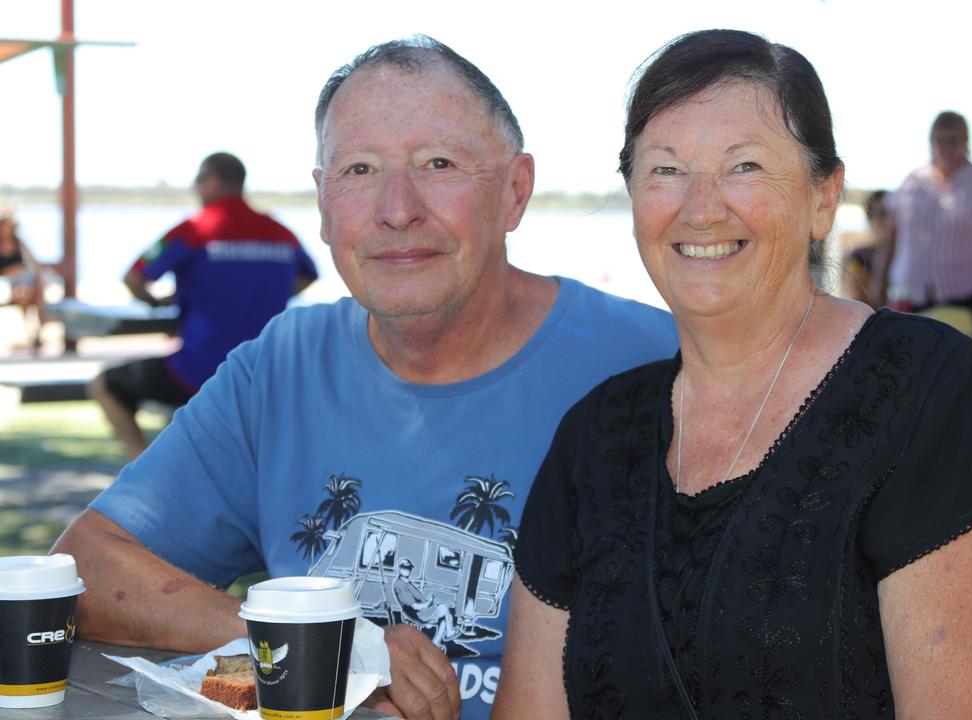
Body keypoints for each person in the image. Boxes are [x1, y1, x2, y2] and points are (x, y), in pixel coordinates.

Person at [51, 36, 678, 720]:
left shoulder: (652, 359)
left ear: (515, 192)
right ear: (322, 204)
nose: (398, 207)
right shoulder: (281, 369)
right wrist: (310, 643)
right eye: (358, 169)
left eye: (439, 163)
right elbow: (83, 571)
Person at [495, 30, 972, 719]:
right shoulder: (595, 439)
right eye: (665, 170)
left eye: (744, 166)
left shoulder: (923, 390)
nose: (699, 207)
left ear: (824, 198)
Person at [88, 152, 318, 458]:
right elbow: (309, 275)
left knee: (104, 384)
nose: (195, 190)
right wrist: (259, 293)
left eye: (198, 181)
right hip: (263, 371)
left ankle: (144, 474)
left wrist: (158, 301)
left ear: (213, 182)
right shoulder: (279, 231)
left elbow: (133, 277)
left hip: (198, 370)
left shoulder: (196, 229)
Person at [870, 110, 972, 334]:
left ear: (966, 143)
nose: (946, 148)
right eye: (940, 140)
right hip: (914, 295)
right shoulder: (914, 182)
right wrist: (879, 282)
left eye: (953, 141)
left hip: (968, 292)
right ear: (931, 143)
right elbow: (892, 235)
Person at [0, 210, 49, 350]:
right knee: (22, 294)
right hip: (14, 283)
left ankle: (36, 330)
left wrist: (23, 269)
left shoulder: (18, 243)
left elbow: (34, 264)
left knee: (32, 291)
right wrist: (17, 268)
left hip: (28, 280)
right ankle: (36, 329)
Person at [393, 559, 459, 647]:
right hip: (417, 614)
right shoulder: (400, 585)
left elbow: (418, 600)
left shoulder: (407, 582)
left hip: (421, 611)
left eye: (409, 568)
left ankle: (435, 644)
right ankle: (450, 633)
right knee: (443, 607)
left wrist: (429, 601)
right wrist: (428, 604)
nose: (408, 570)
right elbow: (414, 606)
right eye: (405, 568)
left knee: (444, 617)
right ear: (399, 569)